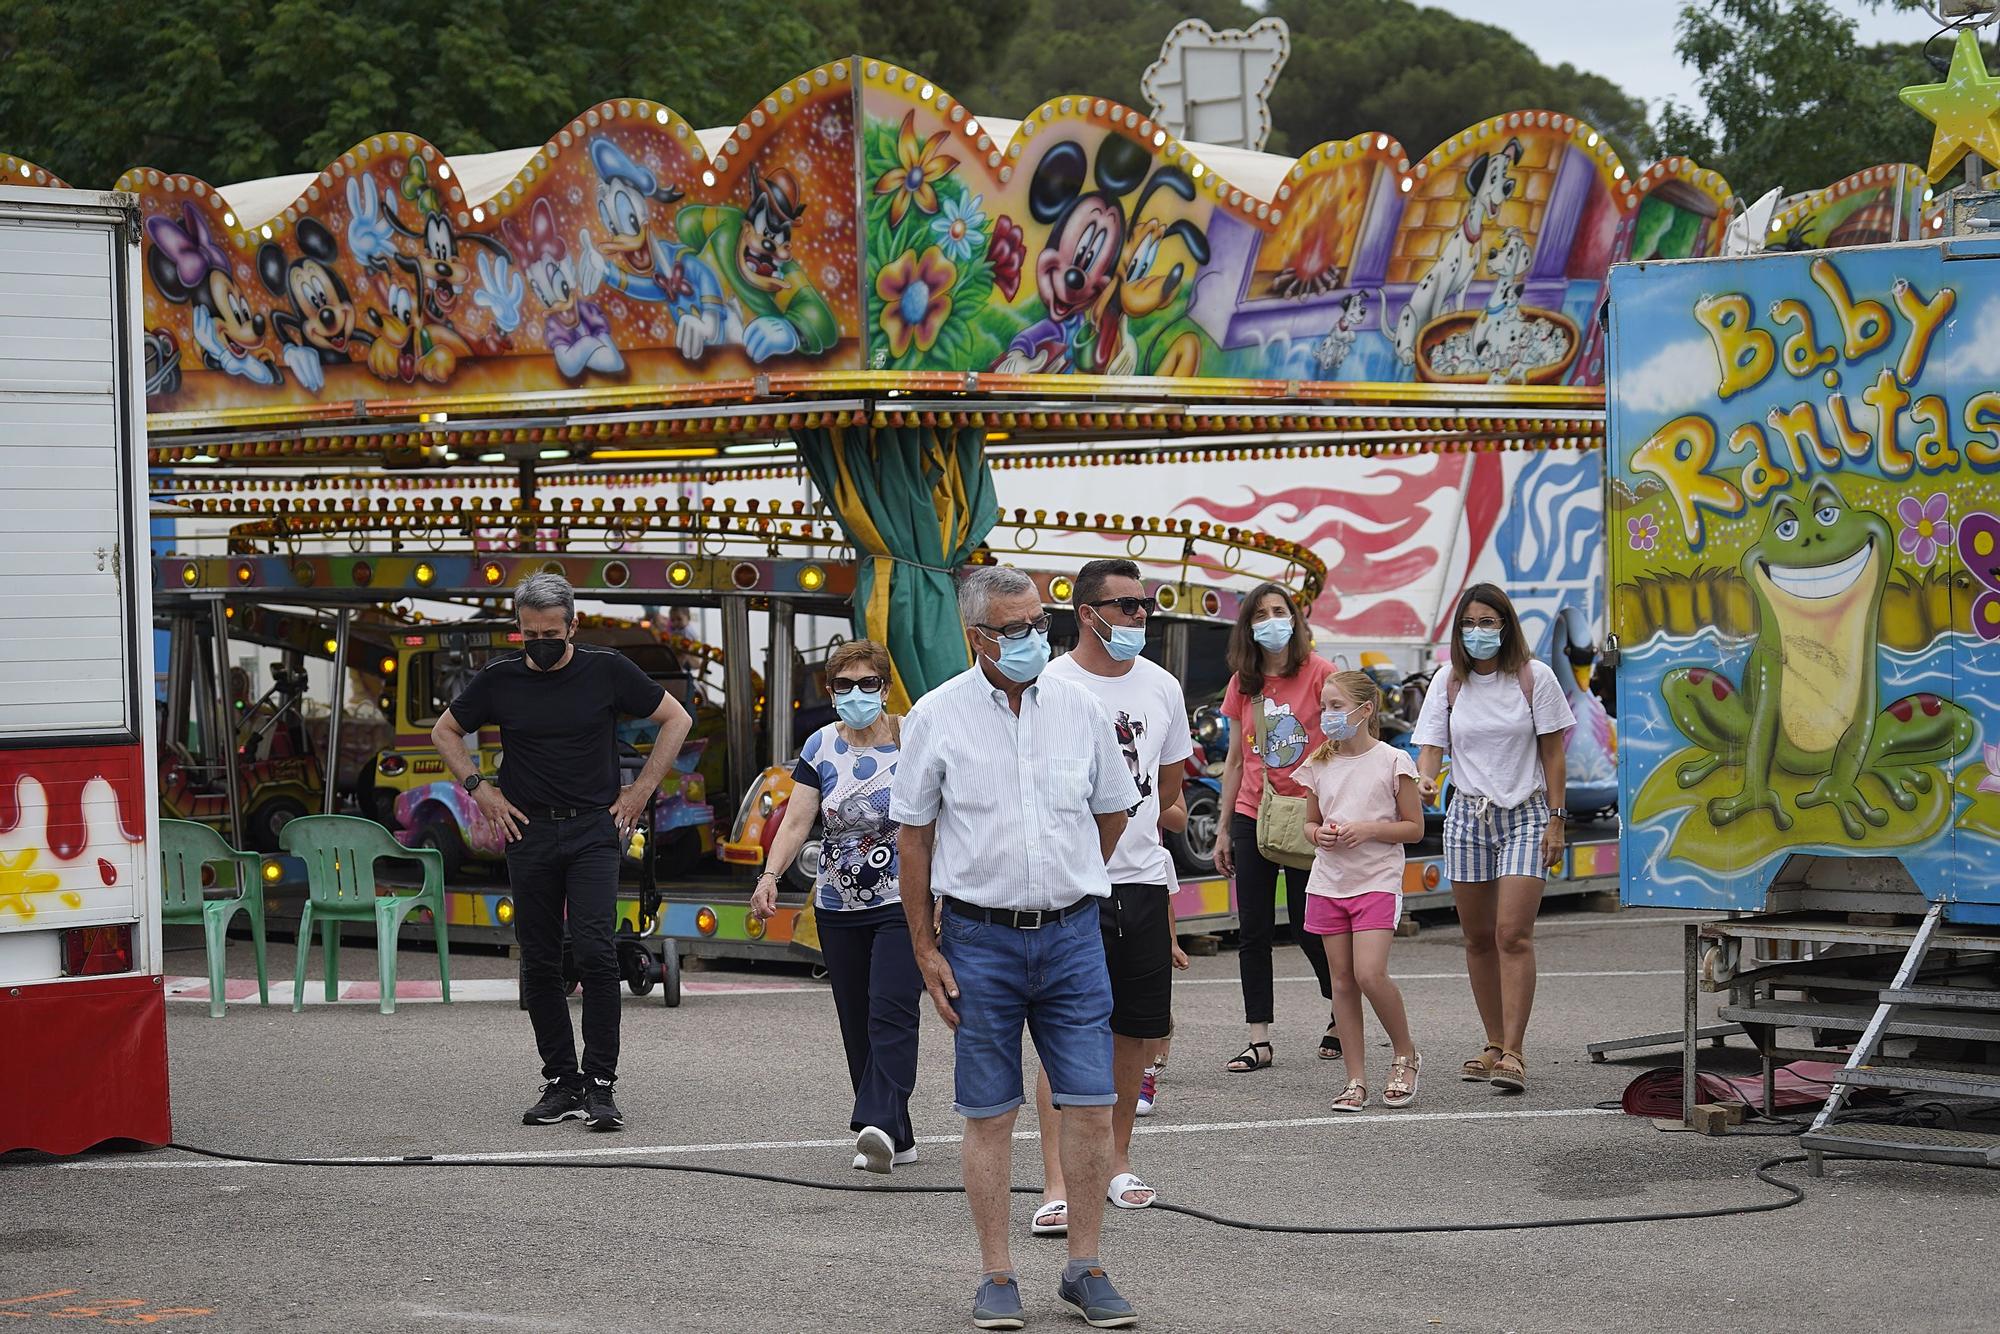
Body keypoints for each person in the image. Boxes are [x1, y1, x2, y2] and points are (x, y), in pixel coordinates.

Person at [894, 565, 1142, 1332]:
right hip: (978, 939)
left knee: (1093, 1110)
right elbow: (915, 839)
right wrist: (926, 948)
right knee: (990, 1113)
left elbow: (1111, 813)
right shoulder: (935, 716)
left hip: (1072, 935)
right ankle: (996, 1274)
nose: (1036, 638)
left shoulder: (1080, 708)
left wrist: (1067, 877)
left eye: (1040, 623)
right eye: (1016, 628)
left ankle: (1085, 1265)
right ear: (977, 637)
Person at [432, 574, 692, 1131]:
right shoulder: (499, 680)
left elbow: (677, 719)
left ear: (573, 625)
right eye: (530, 634)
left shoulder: (607, 670)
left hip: (594, 830)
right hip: (526, 833)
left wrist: (641, 789)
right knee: (540, 958)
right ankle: (560, 1082)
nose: (541, 642)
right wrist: (482, 793)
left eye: (551, 632)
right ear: (517, 632)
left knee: (597, 951)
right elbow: (446, 732)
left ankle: (600, 1084)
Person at [1030, 559, 1192, 1231]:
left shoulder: (1162, 686)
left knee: (1133, 1034)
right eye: (1125, 606)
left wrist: (1168, 826)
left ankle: (1118, 1160)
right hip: (1071, 883)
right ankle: (1058, 1183)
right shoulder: (1048, 684)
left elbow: (1173, 791)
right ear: (1087, 613)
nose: (1138, 617)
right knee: (1065, 1035)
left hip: (1143, 883)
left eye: (1144, 605)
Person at [750, 640, 923, 1175]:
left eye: (866, 683)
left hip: (903, 898)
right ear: (830, 691)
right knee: (856, 1021)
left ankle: (873, 1121)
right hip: (836, 904)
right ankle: (897, 1132)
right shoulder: (821, 744)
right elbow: (799, 818)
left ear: (885, 687)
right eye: (843, 685)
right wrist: (769, 876)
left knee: (890, 1009)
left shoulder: (913, 734)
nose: (855, 694)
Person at [1411, 583, 1573, 1095]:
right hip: (1467, 816)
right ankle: (1493, 1041)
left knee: (1512, 934)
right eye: (1469, 624)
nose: (1478, 632)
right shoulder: (1448, 682)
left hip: (1525, 814)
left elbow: (1553, 755)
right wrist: (1427, 778)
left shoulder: (1533, 678)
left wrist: (1557, 819)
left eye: (1488, 622)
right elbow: (1431, 748)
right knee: (1477, 938)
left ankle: (1515, 1052)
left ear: (1505, 626)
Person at [1212, 582, 1339, 1074]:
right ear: (1247, 626)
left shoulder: (1320, 673)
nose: (1271, 620)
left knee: (1310, 928)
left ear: (1295, 617)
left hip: (1307, 816)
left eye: (1279, 611)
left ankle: (1337, 1011)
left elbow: (1342, 746)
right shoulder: (1244, 682)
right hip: (1253, 814)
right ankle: (1258, 1038)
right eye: (1260, 613)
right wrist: (1223, 829)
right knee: (1253, 929)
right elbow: (1236, 759)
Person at [1296, 670, 1424, 1111]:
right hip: (1329, 883)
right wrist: (1319, 837)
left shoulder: (1393, 761)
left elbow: (1414, 828)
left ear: (1365, 710)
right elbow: (1310, 822)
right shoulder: (1319, 762)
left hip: (1376, 881)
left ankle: (1405, 1054)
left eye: (1336, 706)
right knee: (1343, 982)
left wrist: (1368, 830)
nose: (1327, 715)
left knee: (1370, 974)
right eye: (1324, 706)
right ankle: (1355, 1078)